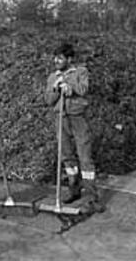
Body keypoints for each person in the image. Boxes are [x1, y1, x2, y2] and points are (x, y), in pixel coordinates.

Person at [45, 43, 104, 214]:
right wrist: (56, 88)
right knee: (67, 156)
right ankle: (74, 189)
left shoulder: (81, 71)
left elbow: (84, 89)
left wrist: (70, 88)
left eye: (60, 57)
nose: (56, 61)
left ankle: (92, 197)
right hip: (60, 119)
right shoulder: (52, 77)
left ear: (69, 59)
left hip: (78, 118)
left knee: (85, 156)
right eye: (55, 57)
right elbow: (48, 100)